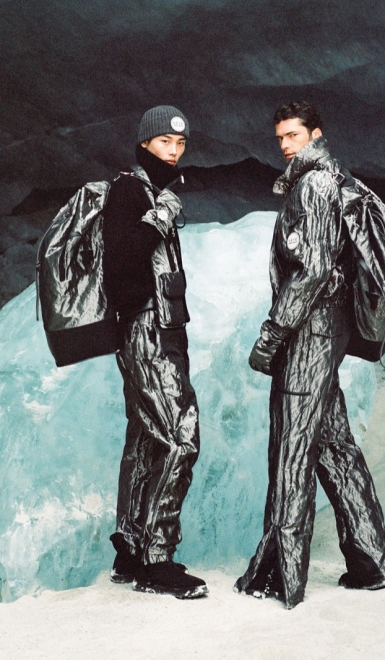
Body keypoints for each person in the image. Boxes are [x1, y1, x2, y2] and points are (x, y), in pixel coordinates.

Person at [234, 101, 385, 609]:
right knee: (333, 446)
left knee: (292, 448)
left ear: (315, 134)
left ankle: (279, 576)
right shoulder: (330, 180)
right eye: (281, 137)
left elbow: (313, 270)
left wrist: (272, 334)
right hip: (326, 329)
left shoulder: (316, 185)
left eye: (294, 135)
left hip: (310, 332)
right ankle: (373, 563)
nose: (286, 145)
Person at [102, 105, 207, 599]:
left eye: (180, 143)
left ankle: (129, 549)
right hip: (145, 331)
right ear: (145, 143)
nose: (174, 150)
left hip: (162, 330)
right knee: (181, 436)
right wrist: (160, 216)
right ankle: (157, 560)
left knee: (147, 439)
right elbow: (121, 261)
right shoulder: (129, 190)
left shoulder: (153, 191)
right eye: (165, 141)